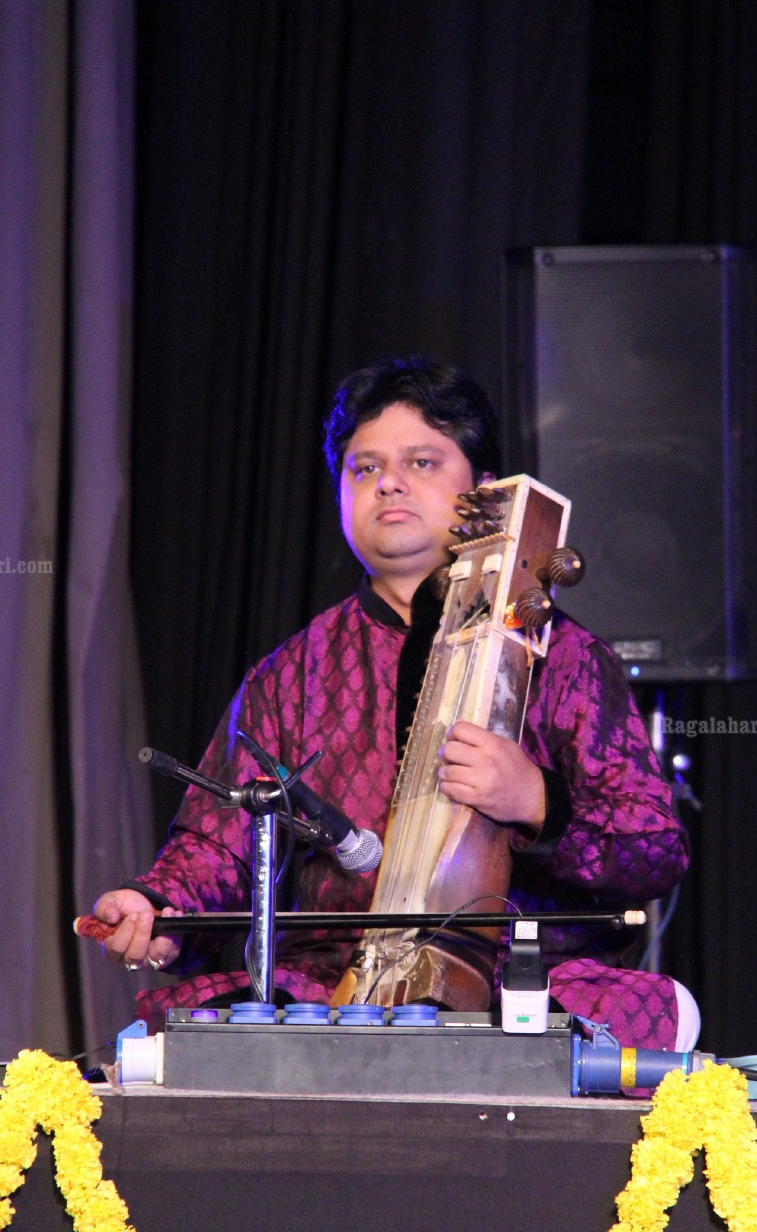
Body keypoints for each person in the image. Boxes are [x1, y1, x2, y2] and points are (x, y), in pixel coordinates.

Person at [92, 358, 697, 1047]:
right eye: (364, 468)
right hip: (334, 992)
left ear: (485, 492)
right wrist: (155, 910)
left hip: (521, 986)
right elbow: (216, 848)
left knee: (645, 1009)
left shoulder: (563, 656)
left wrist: (538, 803)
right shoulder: (293, 674)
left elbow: (654, 850)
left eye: (423, 462)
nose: (389, 484)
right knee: (180, 1030)